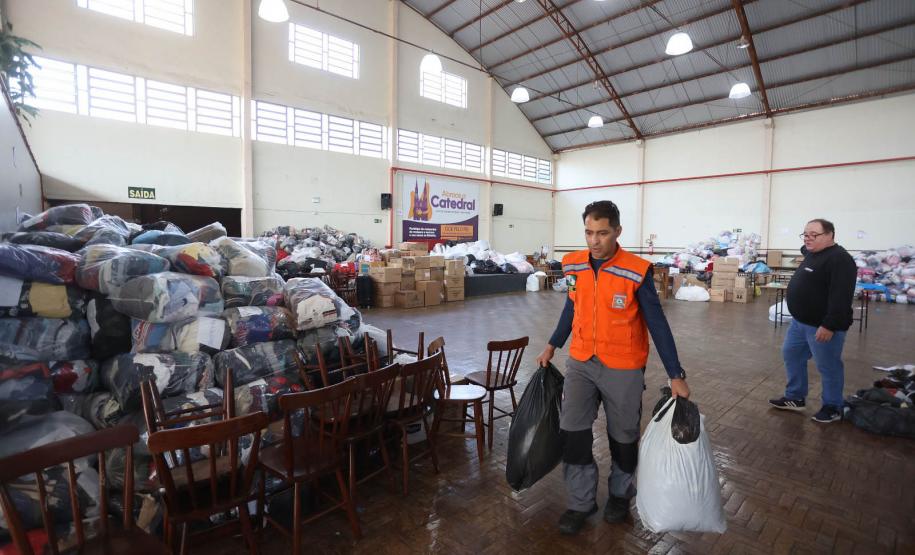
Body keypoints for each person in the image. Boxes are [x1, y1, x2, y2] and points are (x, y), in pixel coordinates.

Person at [536, 200, 689, 536]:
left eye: (602, 233)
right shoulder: (573, 265)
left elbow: (657, 324)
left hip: (623, 366)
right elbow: (572, 307)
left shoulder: (636, 271)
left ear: (617, 231)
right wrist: (552, 344)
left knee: (623, 437)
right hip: (581, 361)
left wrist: (675, 374)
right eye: (589, 232)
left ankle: (620, 494)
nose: (594, 240)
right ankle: (581, 502)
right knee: (573, 433)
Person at [769, 218, 857, 423]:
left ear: (830, 235)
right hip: (799, 323)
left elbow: (841, 297)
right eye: (805, 235)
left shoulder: (840, 260)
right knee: (791, 354)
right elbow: (806, 248)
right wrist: (809, 243)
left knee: (828, 366)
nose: (808, 239)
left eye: (814, 235)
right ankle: (795, 397)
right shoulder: (813, 253)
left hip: (822, 326)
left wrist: (829, 325)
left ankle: (833, 406)